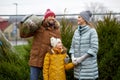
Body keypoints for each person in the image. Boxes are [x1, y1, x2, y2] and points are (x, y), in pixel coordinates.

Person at [21, 9, 61, 80]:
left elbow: (59, 45)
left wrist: (63, 54)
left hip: (48, 61)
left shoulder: (56, 30)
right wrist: (23, 24)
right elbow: (23, 35)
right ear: (45, 18)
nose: (52, 18)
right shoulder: (38, 27)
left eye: (53, 16)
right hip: (36, 59)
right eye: (49, 16)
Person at [69, 10, 99, 80]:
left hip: (89, 70)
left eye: (79, 17)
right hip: (77, 70)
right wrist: (73, 58)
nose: (77, 19)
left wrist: (81, 59)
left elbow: (94, 49)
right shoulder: (76, 32)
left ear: (84, 19)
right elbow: (72, 47)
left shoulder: (92, 31)